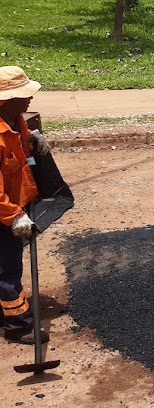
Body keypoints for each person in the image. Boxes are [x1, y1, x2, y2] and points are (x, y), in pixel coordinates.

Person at [0, 66, 50, 345]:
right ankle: (17, 325)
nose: (30, 99)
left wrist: (31, 139)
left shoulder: (14, 119)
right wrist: (14, 216)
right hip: (2, 210)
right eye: (24, 95)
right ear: (5, 100)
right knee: (6, 269)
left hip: (8, 205)